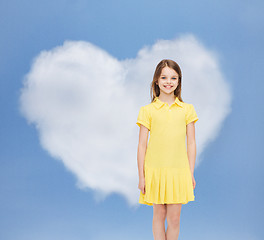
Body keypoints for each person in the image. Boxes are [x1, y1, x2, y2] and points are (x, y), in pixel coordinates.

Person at [136, 59, 199, 240]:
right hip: (154, 171)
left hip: (178, 171)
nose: (168, 82)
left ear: (179, 81)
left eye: (173, 78)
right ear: (156, 80)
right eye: (164, 77)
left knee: (174, 219)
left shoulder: (187, 109)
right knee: (159, 216)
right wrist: (142, 176)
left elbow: (191, 143)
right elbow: (141, 145)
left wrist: (190, 172)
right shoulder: (147, 110)